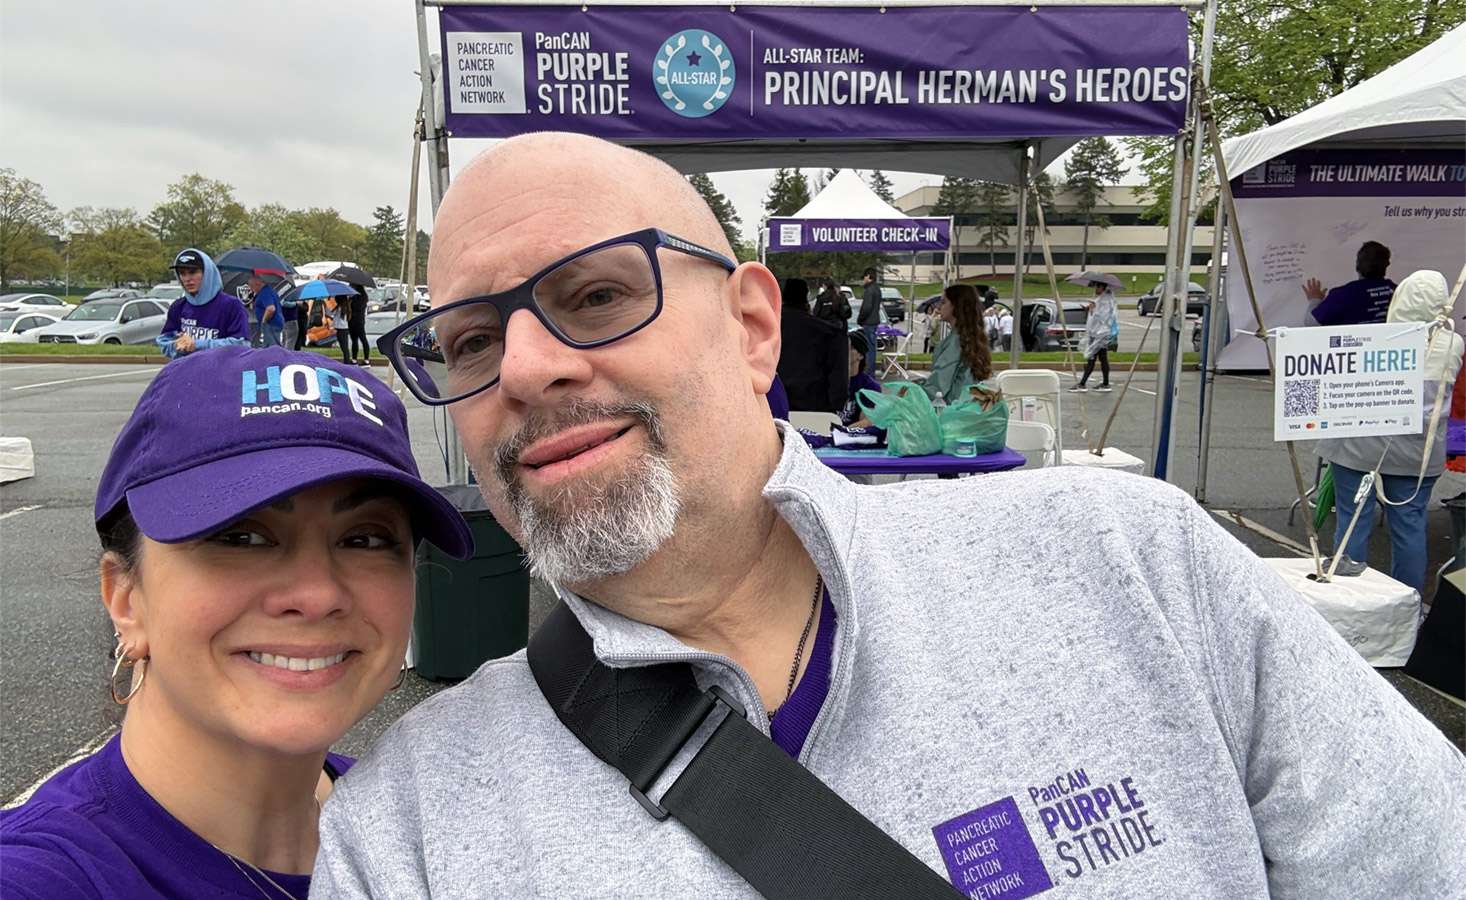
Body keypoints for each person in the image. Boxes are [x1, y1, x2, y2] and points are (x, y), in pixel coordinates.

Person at [317, 133, 1466, 899]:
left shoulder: (1131, 568)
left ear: (754, 326)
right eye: (468, 339)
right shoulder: (407, 833)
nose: (523, 364)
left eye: (599, 294)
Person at [0, 346, 472, 899]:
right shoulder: (44, 877)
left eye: (365, 539)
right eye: (241, 537)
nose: (317, 595)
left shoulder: (421, 826)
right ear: (126, 598)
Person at [1318, 270, 1464, 593]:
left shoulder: (1374, 337)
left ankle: (1350, 599)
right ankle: (1406, 606)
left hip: (1358, 450)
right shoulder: (1454, 343)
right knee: (1410, 528)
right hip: (1418, 455)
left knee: (1353, 521)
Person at [155, 248, 249, 359]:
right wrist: (177, 345)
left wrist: (197, 344)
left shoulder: (231, 305)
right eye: (182, 273)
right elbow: (164, 342)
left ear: (207, 273)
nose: (188, 279)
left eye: (193, 272)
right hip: (185, 372)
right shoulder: (178, 307)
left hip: (220, 372)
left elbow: (242, 345)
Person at [776, 277, 847, 413]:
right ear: (806, 297)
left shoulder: (765, 330)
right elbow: (839, 379)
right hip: (816, 408)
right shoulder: (831, 334)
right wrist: (835, 406)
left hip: (772, 406)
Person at [923, 283, 994, 405]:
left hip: (951, 411)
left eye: (944, 302)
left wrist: (911, 394)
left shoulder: (956, 341)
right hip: (968, 408)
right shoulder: (972, 337)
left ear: (956, 306)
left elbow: (938, 385)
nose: (939, 306)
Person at [1304, 240, 1395, 325]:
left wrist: (1315, 300)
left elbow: (1311, 323)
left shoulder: (1343, 295)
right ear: (1387, 264)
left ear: (1357, 265)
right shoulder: (1398, 292)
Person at [1072, 276, 1119, 393]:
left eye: (1097, 286)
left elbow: (1103, 317)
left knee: (1092, 358)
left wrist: (1092, 309)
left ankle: (1083, 384)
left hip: (1100, 334)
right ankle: (1105, 383)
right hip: (1097, 333)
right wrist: (1089, 308)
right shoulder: (1102, 299)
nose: (1095, 289)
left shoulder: (1106, 300)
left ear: (1102, 287)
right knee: (1101, 358)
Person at [840, 330, 881, 427]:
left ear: (861, 355)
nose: (843, 351)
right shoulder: (825, 380)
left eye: (849, 348)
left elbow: (867, 421)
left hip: (851, 436)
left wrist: (842, 432)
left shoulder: (869, 387)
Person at [250, 274, 286, 348]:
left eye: (251, 286)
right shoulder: (267, 290)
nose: (251, 289)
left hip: (270, 324)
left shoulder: (265, 292)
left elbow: (271, 308)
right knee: (270, 347)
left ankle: (275, 359)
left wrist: (264, 321)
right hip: (274, 323)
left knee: (272, 348)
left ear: (258, 284)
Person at [857, 266, 881, 373]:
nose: (864, 280)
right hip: (874, 321)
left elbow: (867, 307)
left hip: (868, 322)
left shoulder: (869, 290)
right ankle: (871, 372)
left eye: (864, 277)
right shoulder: (877, 288)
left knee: (868, 350)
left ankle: (867, 372)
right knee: (872, 348)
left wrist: (860, 318)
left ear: (868, 276)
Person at [346, 287, 370, 366]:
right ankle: (354, 359)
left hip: (358, 320)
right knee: (354, 340)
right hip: (354, 320)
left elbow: (356, 308)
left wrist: (350, 302)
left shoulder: (361, 298)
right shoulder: (356, 297)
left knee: (362, 339)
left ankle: (366, 359)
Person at [329, 298, 352, 365]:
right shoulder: (345, 307)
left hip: (342, 330)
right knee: (344, 347)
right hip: (343, 329)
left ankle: (347, 362)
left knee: (344, 347)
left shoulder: (340, 308)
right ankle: (346, 361)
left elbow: (333, 314)